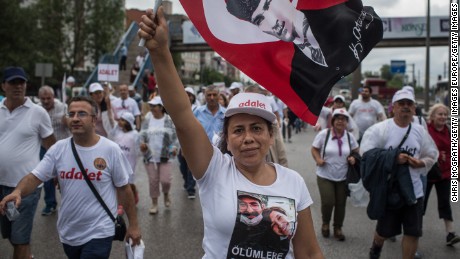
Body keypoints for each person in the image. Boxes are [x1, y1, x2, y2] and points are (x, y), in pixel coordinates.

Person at [138, 7, 324, 258]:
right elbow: (182, 116)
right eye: (238, 130)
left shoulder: (294, 182)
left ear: (271, 135)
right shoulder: (214, 171)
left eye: (257, 128)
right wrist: (160, 52)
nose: (248, 137)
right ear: (227, 137)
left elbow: (309, 252)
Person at [0, 96, 141, 258]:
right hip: (69, 232)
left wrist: (134, 226)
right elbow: (35, 177)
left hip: (100, 230)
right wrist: (18, 192)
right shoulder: (58, 149)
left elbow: (124, 188)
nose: (75, 118)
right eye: (71, 114)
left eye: (81, 114)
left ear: (94, 120)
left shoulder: (111, 150)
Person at [360, 90, 438, 259]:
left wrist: (421, 163)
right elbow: (366, 154)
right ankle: (376, 247)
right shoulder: (380, 130)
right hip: (390, 191)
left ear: (414, 108)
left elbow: (432, 154)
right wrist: (393, 158)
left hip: (414, 192)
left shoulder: (419, 131)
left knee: (413, 232)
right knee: (384, 231)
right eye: (401, 104)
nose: (405, 107)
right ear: (393, 107)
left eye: (409, 104)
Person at [0, 67, 56, 259]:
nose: (18, 86)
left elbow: (51, 146)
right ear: (3, 86)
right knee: (9, 234)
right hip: (1, 185)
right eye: (13, 83)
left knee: (20, 238)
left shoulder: (38, 112)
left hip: (26, 187)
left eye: (21, 82)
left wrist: (56, 173)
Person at [226, 0, 327, 67]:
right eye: (259, 20)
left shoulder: (328, 19)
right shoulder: (286, 60)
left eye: (268, 6)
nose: (273, 23)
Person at [311, 108, 359, 241]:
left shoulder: (350, 137)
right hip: (325, 175)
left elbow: (356, 151)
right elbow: (314, 149)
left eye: (343, 119)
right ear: (333, 121)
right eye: (337, 118)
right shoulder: (324, 134)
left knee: (340, 203)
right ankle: (325, 223)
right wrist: (318, 160)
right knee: (328, 201)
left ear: (346, 122)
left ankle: (338, 227)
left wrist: (354, 158)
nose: (340, 121)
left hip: (343, 176)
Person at [424, 104, 460, 246]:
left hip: (445, 173)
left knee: (445, 202)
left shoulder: (450, 132)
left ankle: (450, 234)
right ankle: (412, 232)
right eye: (440, 114)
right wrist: (438, 156)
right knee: (420, 205)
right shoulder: (425, 130)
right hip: (426, 171)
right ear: (432, 116)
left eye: (445, 114)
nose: (443, 117)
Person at [140, 96, 178, 214]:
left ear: (161, 107)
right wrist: (142, 143)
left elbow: (174, 137)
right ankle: (154, 203)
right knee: (153, 180)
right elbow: (142, 133)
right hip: (150, 155)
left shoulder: (169, 119)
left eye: (154, 106)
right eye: (150, 106)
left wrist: (174, 147)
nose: (151, 108)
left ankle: (166, 194)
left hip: (165, 155)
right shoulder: (148, 118)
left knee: (165, 180)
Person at [38, 86, 71, 216]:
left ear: (53, 97)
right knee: (47, 177)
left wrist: (66, 120)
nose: (46, 101)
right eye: (43, 99)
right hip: (45, 147)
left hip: (63, 147)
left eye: (48, 98)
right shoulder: (37, 109)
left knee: (66, 176)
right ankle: (50, 204)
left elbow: (71, 124)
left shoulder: (63, 107)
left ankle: (69, 204)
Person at [109, 112, 141, 205]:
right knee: (118, 183)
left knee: (129, 184)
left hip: (130, 162)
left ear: (128, 122)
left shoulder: (135, 134)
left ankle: (134, 193)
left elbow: (138, 149)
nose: (119, 122)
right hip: (117, 161)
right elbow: (110, 120)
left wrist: (142, 150)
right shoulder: (117, 131)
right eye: (120, 119)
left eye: (122, 120)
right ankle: (120, 204)